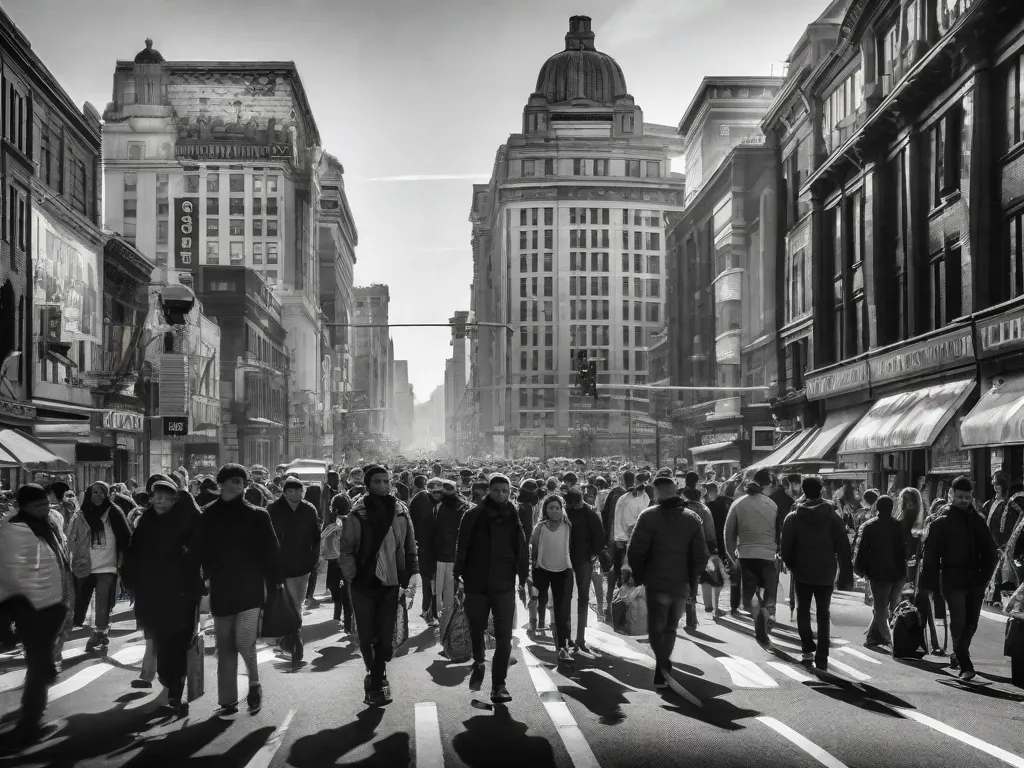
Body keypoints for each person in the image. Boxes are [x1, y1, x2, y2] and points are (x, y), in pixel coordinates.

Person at [193, 463, 280, 715]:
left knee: (244, 641)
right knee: (225, 646)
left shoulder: (258, 515)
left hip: (250, 587)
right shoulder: (208, 515)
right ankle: (227, 701)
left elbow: (272, 552)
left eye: (242, 480)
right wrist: (200, 578)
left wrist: (276, 583)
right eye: (234, 479)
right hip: (221, 587)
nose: (240, 484)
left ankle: (254, 684)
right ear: (221, 484)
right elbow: (198, 551)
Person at [121, 477, 203, 716]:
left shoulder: (186, 522)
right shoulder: (146, 521)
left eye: (166, 497)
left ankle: (176, 689)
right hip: (152, 593)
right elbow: (134, 552)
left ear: (175, 499)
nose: (160, 501)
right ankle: (169, 681)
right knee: (161, 640)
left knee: (179, 640)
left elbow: (199, 551)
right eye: (157, 496)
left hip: (181, 593)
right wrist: (130, 580)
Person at [0, 484, 74, 748]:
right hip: (29, 610)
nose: (44, 509)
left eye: (45, 504)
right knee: (38, 664)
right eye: (38, 505)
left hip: (52, 606)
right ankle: (29, 724)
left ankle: (33, 714)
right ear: (23, 506)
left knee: (40, 662)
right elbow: (10, 575)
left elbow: (59, 557)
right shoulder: (13, 530)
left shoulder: (48, 523)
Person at [338, 465, 419, 707]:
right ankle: (376, 682)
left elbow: (410, 546)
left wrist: (412, 574)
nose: (383, 486)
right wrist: (352, 577)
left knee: (385, 637)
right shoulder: (357, 513)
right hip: (363, 585)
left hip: (391, 583)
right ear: (367, 485)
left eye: (386, 481)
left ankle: (377, 674)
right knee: (366, 636)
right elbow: (346, 550)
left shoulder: (400, 511)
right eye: (377, 482)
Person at [627, 474, 709, 690]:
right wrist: (693, 583)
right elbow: (701, 555)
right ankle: (663, 666)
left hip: (655, 581)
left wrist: (639, 576)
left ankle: (661, 666)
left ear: (656, 493)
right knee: (671, 627)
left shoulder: (648, 517)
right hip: (681, 583)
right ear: (675, 491)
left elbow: (635, 551)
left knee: (657, 625)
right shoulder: (692, 519)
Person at [453, 473, 529, 704]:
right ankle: (478, 662)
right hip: (476, 584)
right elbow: (462, 546)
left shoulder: (513, 515)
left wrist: (524, 580)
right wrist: (456, 576)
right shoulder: (472, 515)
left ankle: (499, 686)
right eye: (496, 490)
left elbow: (521, 548)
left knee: (504, 636)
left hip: (504, 584)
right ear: (489, 491)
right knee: (476, 629)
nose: (500, 495)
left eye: (505, 491)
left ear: (510, 493)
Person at [921, 475, 999, 681]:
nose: (964, 501)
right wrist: (928, 583)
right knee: (959, 622)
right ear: (951, 495)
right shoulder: (941, 521)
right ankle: (965, 664)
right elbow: (930, 556)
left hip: (976, 579)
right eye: (960, 497)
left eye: (967, 497)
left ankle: (958, 653)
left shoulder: (978, 520)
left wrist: (985, 577)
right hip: (952, 578)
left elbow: (991, 552)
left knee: (971, 623)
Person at [781, 475, 851, 671]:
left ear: (803, 491)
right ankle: (822, 656)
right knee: (823, 613)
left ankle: (807, 648)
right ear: (821, 491)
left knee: (803, 610)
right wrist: (844, 572)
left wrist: (792, 565)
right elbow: (843, 545)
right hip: (826, 570)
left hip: (802, 570)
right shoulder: (832, 515)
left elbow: (785, 548)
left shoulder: (793, 517)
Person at [68, 481, 132, 653]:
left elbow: (125, 538)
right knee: (80, 600)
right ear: (89, 494)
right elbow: (71, 537)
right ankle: (83, 625)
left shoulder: (114, 512)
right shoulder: (80, 514)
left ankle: (100, 631)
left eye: (102, 492)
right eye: (95, 492)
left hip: (107, 565)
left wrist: (122, 562)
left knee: (103, 600)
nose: (98, 495)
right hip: (85, 565)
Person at [267, 477, 321, 661]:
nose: (294, 494)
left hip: (303, 564)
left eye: (298, 490)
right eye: (290, 490)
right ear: (284, 492)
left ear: (302, 491)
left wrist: (313, 559)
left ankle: (294, 636)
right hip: (280, 565)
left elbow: (316, 537)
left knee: (297, 601)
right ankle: (293, 637)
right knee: (287, 602)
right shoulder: (273, 509)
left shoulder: (309, 509)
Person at [724, 468, 780, 644]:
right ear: (764, 487)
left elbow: (728, 532)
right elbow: (778, 532)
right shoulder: (772, 505)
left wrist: (731, 556)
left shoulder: (738, 503)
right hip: (768, 555)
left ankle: (759, 620)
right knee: (768, 589)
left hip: (746, 556)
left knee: (752, 592)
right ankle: (767, 612)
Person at [853, 495, 908, 649]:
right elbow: (902, 551)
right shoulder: (898, 526)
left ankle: (890, 640)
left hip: (878, 573)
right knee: (886, 607)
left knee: (880, 608)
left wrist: (860, 569)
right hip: (897, 572)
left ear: (877, 507)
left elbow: (863, 551)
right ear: (892, 508)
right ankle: (872, 638)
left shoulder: (870, 526)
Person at [530, 494, 575, 661]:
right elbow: (534, 548)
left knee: (561, 610)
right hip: (543, 570)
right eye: (551, 508)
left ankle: (563, 646)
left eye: (557, 508)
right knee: (540, 600)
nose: (555, 511)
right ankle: (536, 622)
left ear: (562, 509)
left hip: (564, 571)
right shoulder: (539, 528)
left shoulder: (568, 526)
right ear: (545, 510)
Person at [564, 486, 604, 653]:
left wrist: (593, 554)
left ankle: (580, 637)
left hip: (583, 561)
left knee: (582, 598)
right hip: (568, 559)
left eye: (575, 503)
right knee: (567, 598)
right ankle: (569, 636)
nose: (574, 506)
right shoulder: (568, 510)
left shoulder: (590, 513)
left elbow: (599, 536)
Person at [433, 479, 469, 637]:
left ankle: (447, 628)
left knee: (445, 596)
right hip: (456, 556)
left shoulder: (439, 507)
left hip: (445, 557)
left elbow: (435, 532)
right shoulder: (464, 506)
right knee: (458, 594)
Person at [409, 477, 441, 626]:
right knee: (428, 581)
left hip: (436, 548)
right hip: (424, 547)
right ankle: (429, 611)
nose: (438, 494)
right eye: (435, 492)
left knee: (434, 581)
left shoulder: (441, 502)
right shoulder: (421, 500)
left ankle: (430, 610)